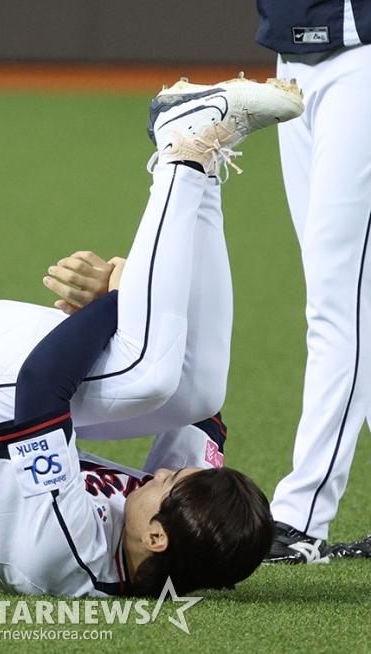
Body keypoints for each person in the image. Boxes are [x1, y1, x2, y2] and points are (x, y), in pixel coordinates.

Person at [0, 75, 303, 596]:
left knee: (146, 373)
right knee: (198, 391)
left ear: (156, 537)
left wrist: (119, 299)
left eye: (168, 482)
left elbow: (38, 388)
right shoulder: (180, 531)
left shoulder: (56, 558)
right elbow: (203, 413)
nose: (161, 475)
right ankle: (205, 160)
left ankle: (185, 149)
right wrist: (138, 297)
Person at [256, 2, 371, 563]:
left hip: (362, 61)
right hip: (293, 63)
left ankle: (301, 517)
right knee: (358, 299)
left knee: (336, 305)